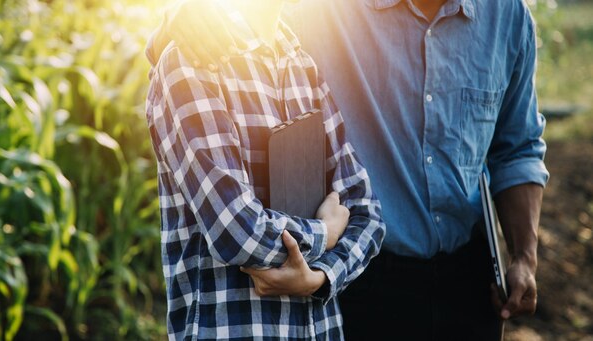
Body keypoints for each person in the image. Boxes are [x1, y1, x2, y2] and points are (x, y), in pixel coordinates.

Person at [148, 0, 551, 340]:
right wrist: (177, 18)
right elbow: (229, 23)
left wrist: (523, 257)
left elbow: (516, 149)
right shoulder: (334, 10)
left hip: (468, 280)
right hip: (365, 284)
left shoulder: (508, 17)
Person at [144, 0, 386, 339]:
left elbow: (367, 212)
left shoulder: (302, 65)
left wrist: (320, 278)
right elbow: (236, 230)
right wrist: (325, 234)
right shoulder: (189, 64)